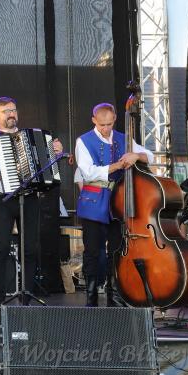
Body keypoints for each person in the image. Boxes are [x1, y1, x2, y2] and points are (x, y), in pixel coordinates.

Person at [0, 96, 63, 304]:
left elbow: (46, 167)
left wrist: (54, 153)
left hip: (29, 197)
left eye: (13, 110)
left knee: (30, 248)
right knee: (1, 248)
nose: (11, 114)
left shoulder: (32, 137)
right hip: (3, 199)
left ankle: (26, 297)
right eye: (6, 111)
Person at [74, 102, 153, 306]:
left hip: (118, 199)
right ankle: (91, 298)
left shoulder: (124, 138)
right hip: (94, 200)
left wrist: (136, 155)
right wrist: (118, 165)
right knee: (93, 251)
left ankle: (114, 296)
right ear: (94, 120)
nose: (106, 128)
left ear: (115, 119)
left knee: (117, 250)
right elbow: (88, 172)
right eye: (102, 125)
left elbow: (150, 156)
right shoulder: (83, 141)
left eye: (109, 124)